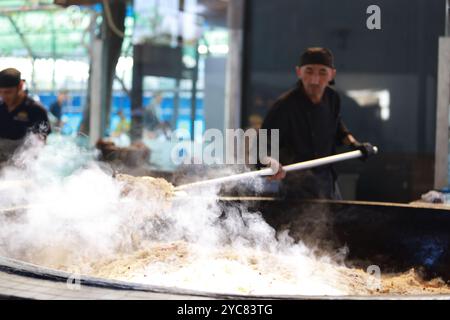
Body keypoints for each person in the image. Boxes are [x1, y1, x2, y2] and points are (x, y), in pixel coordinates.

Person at [260, 47, 375, 200]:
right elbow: (263, 143)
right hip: (296, 186)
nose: (315, 79)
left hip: (328, 181)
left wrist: (354, 144)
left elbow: (338, 125)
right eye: (309, 71)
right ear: (298, 72)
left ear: (332, 74)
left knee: (337, 222)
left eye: (322, 72)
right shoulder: (284, 105)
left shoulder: (333, 98)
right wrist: (270, 162)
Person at [0, 68, 51, 161]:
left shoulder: (36, 110)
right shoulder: (1, 108)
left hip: (23, 162)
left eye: (8, 92)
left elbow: (39, 144)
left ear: (20, 86)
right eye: (0, 92)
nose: (3, 96)